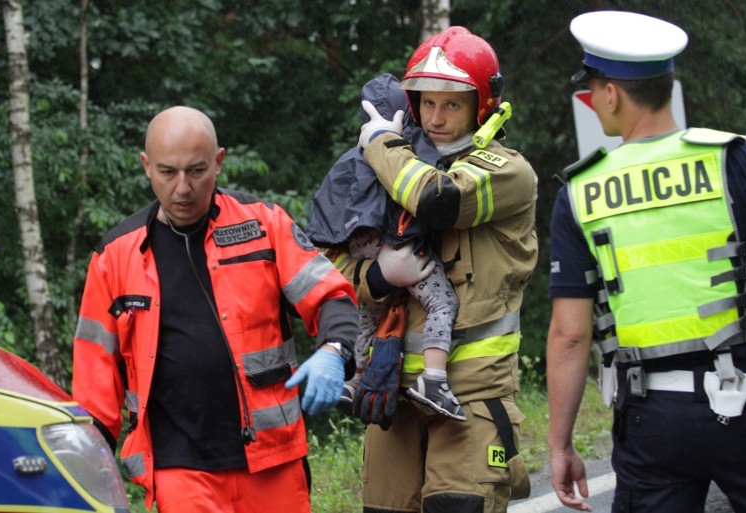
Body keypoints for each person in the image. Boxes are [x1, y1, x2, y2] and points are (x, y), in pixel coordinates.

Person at [546, 10, 746, 512]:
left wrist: (560, 444)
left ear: (611, 93)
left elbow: (570, 335)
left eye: (593, 88)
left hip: (649, 418)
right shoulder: (736, 161)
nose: (594, 102)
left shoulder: (580, 193)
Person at [71, 106, 359, 513]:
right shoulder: (115, 256)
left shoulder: (264, 225)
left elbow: (332, 296)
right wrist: (85, 461)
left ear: (219, 162)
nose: (183, 188)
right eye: (168, 172)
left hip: (270, 455)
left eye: (197, 170)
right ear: (146, 167)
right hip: (178, 466)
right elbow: (95, 374)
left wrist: (334, 351)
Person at [331, 26, 539, 512]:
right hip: (391, 396)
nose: (436, 117)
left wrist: (380, 142)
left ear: (481, 105)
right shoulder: (387, 169)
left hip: (470, 396)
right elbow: (329, 264)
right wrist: (378, 277)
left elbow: (436, 199)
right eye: (426, 103)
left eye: (452, 104)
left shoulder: (507, 170)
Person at [305, 73, 466, 421]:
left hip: (358, 245)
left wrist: (357, 254)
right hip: (399, 242)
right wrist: (381, 271)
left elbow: (326, 210)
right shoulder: (407, 148)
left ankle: (355, 380)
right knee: (442, 301)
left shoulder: (349, 158)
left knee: (368, 315)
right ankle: (435, 379)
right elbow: (430, 192)